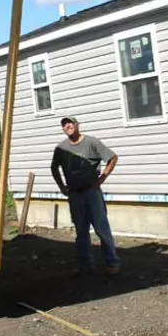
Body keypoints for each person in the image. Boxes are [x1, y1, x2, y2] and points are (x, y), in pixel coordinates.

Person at [50, 115, 121, 275]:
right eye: (64, 125)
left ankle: (112, 262)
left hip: (92, 192)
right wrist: (62, 187)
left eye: (70, 123)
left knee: (101, 228)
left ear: (77, 125)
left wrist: (101, 179)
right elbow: (54, 167)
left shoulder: (91, 142)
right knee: (81, 231)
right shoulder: (61, 148)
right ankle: (85, 265)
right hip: (75, 195)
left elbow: (112, 158)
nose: (67, 126)